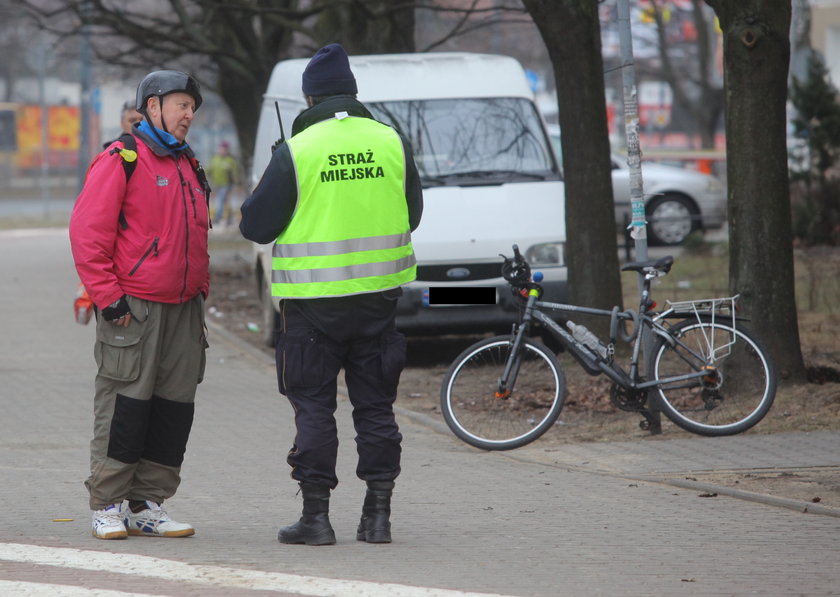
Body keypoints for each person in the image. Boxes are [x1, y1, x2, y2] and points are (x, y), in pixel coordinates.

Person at [239, 43, 423, 546]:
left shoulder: (298, 150)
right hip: (378, 304)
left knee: (315, 408)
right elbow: (413, 215)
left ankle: (316, 521)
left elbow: (255, 227)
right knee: (376, 409)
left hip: (314, 308)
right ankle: (378, 517)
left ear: (309, 97)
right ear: (353, 92)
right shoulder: (390, 141)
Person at [69, 70, 211, 540]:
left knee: (173, 409)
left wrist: (201, 290)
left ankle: (148, 504)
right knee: (124, 405)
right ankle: (106, 504)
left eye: (193, 107)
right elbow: (88, 234)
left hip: (183, 309)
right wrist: (109, 299)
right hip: (135, 310)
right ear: (153, 106)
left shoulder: (188, 163)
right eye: (181, 104)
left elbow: (197, 235)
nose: (189, 114)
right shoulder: (122, 159)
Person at [207, 140, 240, 227]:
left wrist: (236, 184)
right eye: (221, 149)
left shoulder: (230, 160)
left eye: (224, 149)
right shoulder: (214, 159)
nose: (222, 151)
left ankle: (219, 218)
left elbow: (235, 173)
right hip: (215, 184)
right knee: (219, 202)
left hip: (226, 184)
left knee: (221, 200)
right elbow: (208, 170)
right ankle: (227, 218)